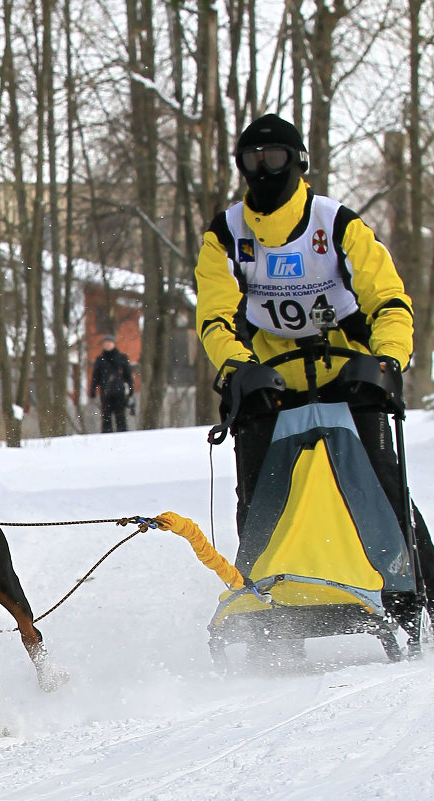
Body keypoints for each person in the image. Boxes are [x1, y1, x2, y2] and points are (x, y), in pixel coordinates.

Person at [194, 112, 434, 616]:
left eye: (274, 157)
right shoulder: (226, 234)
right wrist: (238, 369)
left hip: (348, 374)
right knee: (261, 498)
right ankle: (265, 597)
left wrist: (388, 360)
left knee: (378, 485)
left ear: (298, 162)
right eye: (252, 160)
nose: (264, 169)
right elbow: (215, 317)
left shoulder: (336, 223)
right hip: (270, 380)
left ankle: (410, 590)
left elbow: (388, 300)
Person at [89, 335, 134, 433]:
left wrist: (131, 388)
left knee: (120, 416)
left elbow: (128, 375)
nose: (107, 344)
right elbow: (95, 376)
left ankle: (122, 436)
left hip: (119, 391)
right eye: (105, 343)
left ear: (114, 343)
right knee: (106, 417)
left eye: (109, 342)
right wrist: (92, 389)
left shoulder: (122, 358)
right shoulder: (100, 360)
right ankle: (106, 437)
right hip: (106, 392)